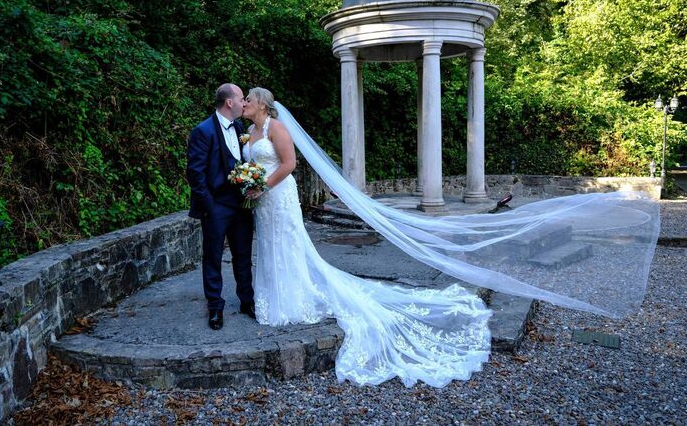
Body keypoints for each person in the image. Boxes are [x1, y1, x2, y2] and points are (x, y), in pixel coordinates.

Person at [241, 87, 492, 388]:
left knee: (287, 245)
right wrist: (248, 183)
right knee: (268, 245)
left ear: (262, 105)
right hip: (262, 202)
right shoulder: (250, 132)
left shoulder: (276, 127)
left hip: (278, 196)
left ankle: (292, 299)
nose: (245, 103)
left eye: (249, 100)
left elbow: (289, 163)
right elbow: (252, 166)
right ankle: (272, 299)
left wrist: (262, 185)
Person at [186, 83, 256, 331]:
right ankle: (215, 306)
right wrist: (210, 206)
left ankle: (247, 301)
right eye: (241, 98)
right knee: (213, 257)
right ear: (229, 102)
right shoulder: (203, 131)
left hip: (241, 205)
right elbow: (195, 174)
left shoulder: (239, 128)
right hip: (216, 206)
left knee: (243, 255)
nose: (244, 103)